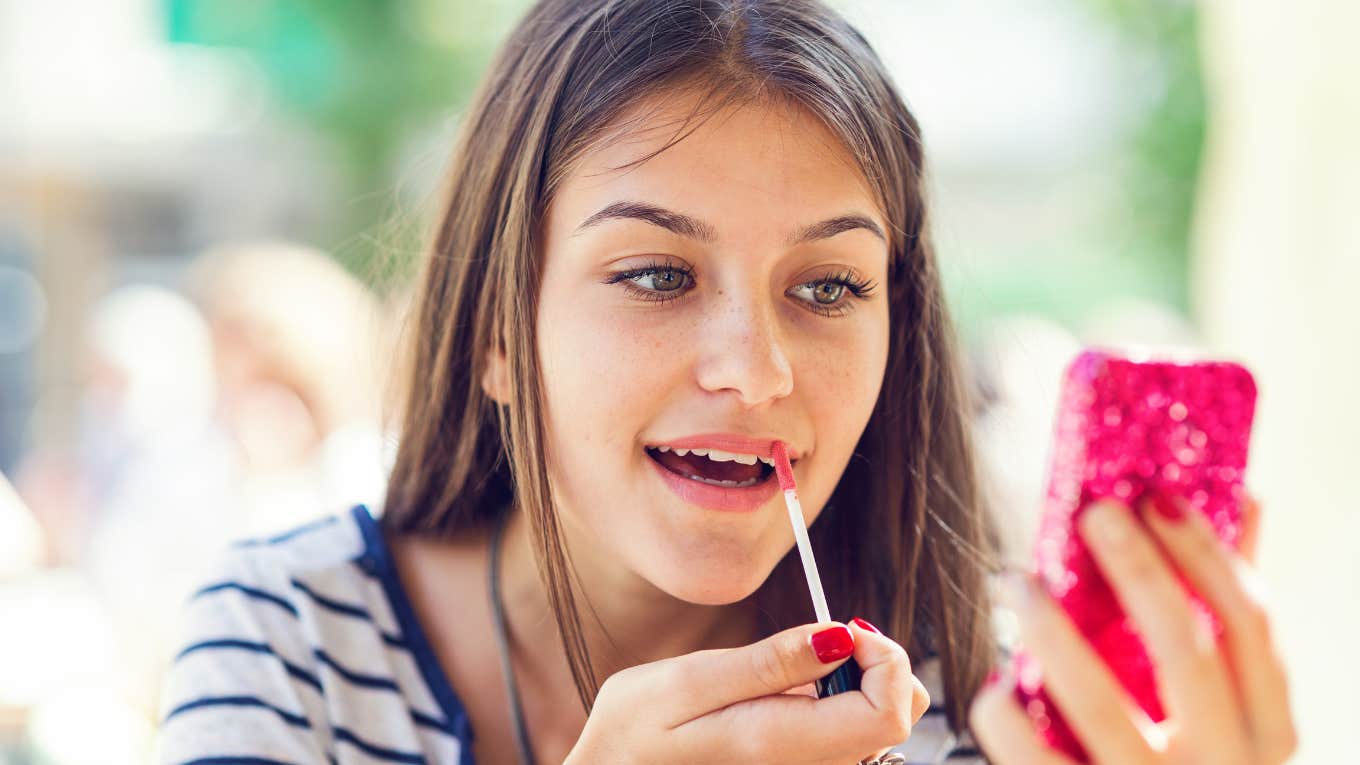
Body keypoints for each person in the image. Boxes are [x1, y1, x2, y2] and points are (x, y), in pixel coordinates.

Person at [155, 1, 1298, 764]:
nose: (755, 371)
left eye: (831, 288)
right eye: (655, 273)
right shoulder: (289, 642)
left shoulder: (978, 702)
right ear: (498, 333)